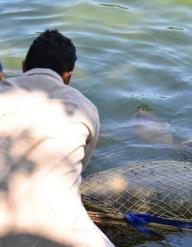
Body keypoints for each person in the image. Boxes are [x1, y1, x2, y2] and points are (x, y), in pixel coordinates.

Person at [0, 30, 114, 246]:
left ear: (24, 66)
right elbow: (81, 166)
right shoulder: (85, 108)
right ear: (67, 76)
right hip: (62, 237)